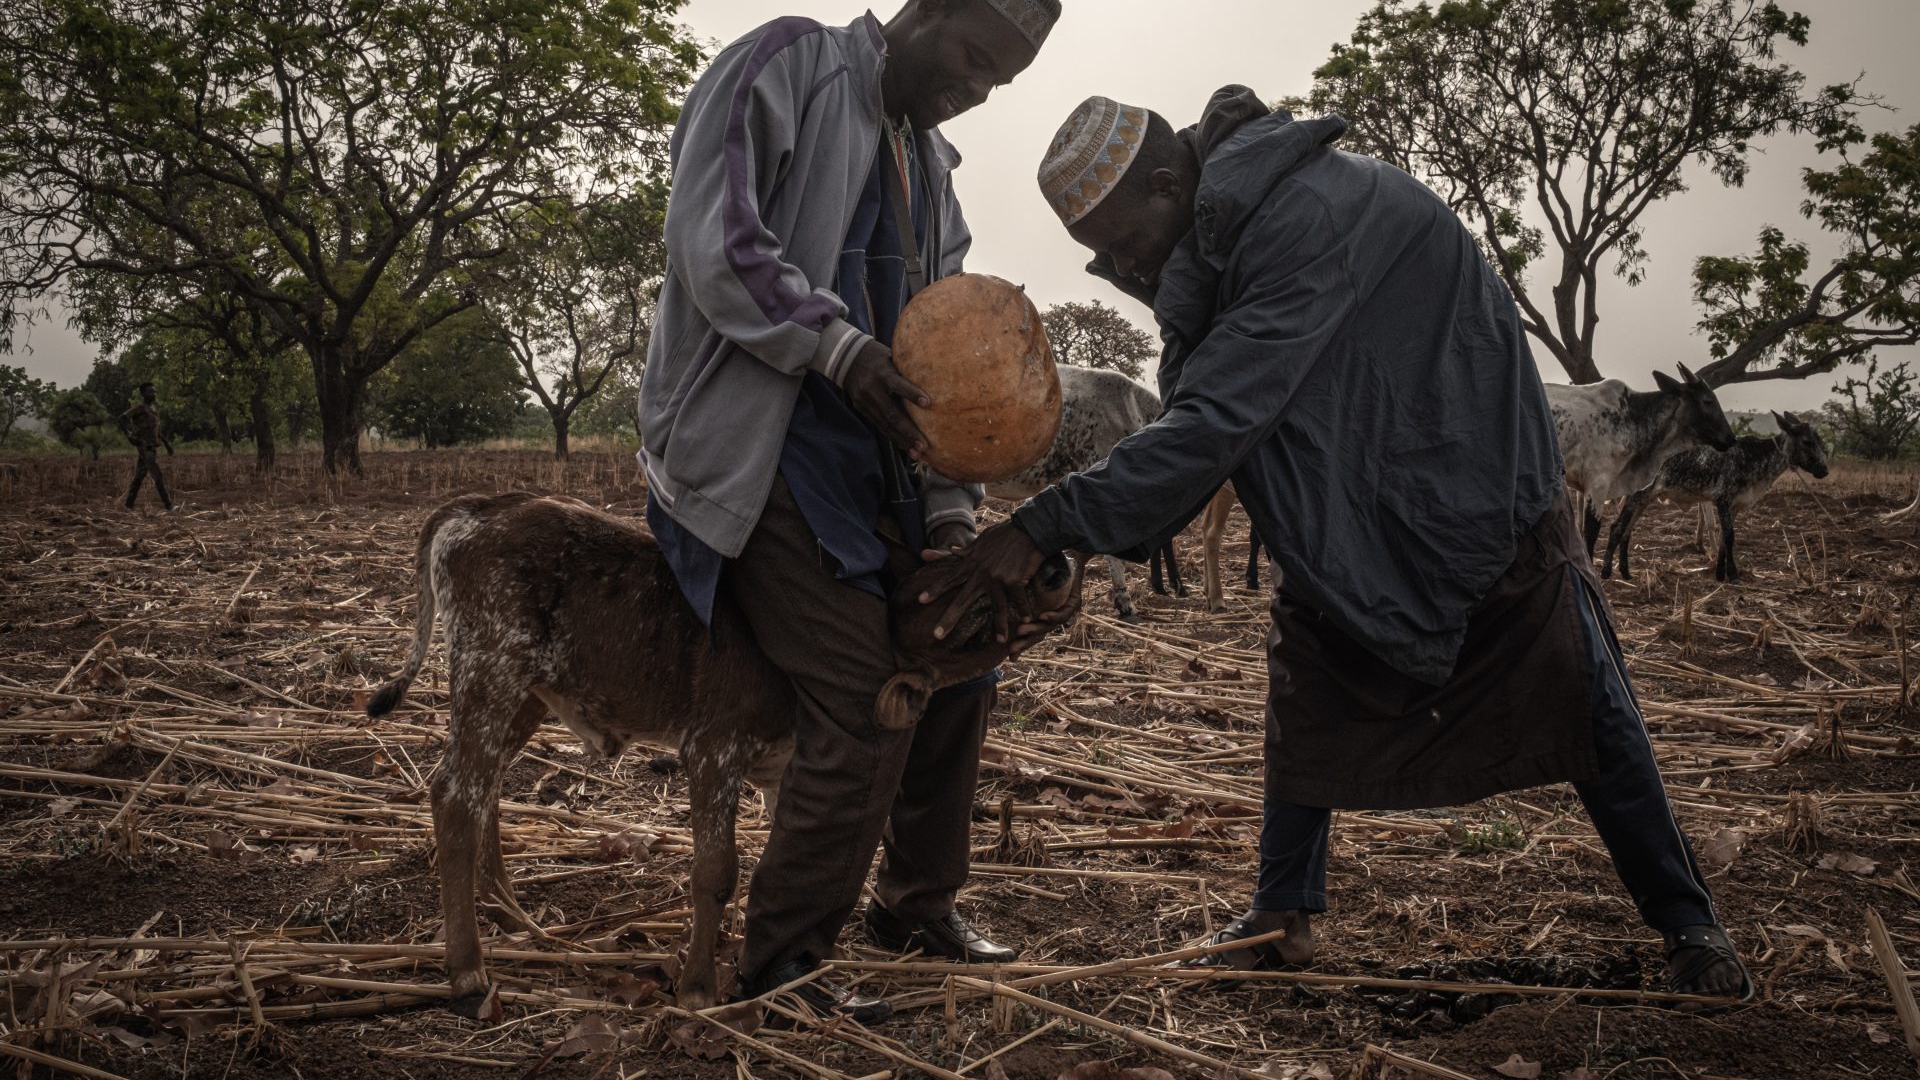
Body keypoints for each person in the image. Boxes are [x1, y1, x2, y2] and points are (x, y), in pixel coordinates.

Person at [917, 87, 1753, 1000]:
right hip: (1356, 508)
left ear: (1169, 182)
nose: (1118, 265)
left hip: (1470, 498)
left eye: (1120, 242)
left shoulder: (1305, 218)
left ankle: (1690, 925)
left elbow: (1214, 419)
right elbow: (1207, 414)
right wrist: (1081, 530)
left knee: (1581, 695)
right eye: (1099, 254)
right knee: (1309, 686)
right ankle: (1281, 915)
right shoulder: (1217, 245)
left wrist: (1043, 523)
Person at [637, 0, 1067, 1024]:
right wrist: (836, 348)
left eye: (1000, 80)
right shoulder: (788, 64)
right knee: (870, 692)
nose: (976, 88)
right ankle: (784, 967)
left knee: (963, 659)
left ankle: (916, 908)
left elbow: (944, 377)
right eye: (972, 55)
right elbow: (716, 238)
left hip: (872, 473)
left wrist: (955, 517)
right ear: (929, 11)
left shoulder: (935, 177)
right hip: (757, 449)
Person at [118, 381, 173, 511]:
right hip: (144, 446)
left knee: (139, 477)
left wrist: (167, 444)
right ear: (143, 393)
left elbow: (157, 430)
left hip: (152, 446)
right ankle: (168, 505)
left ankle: (128, 505)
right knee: (157, 475)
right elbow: (121, 418)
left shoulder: (154, 409)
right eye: (150, 391)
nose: (153, 394)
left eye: (154, 391)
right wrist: (129, 435)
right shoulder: (140, 408)